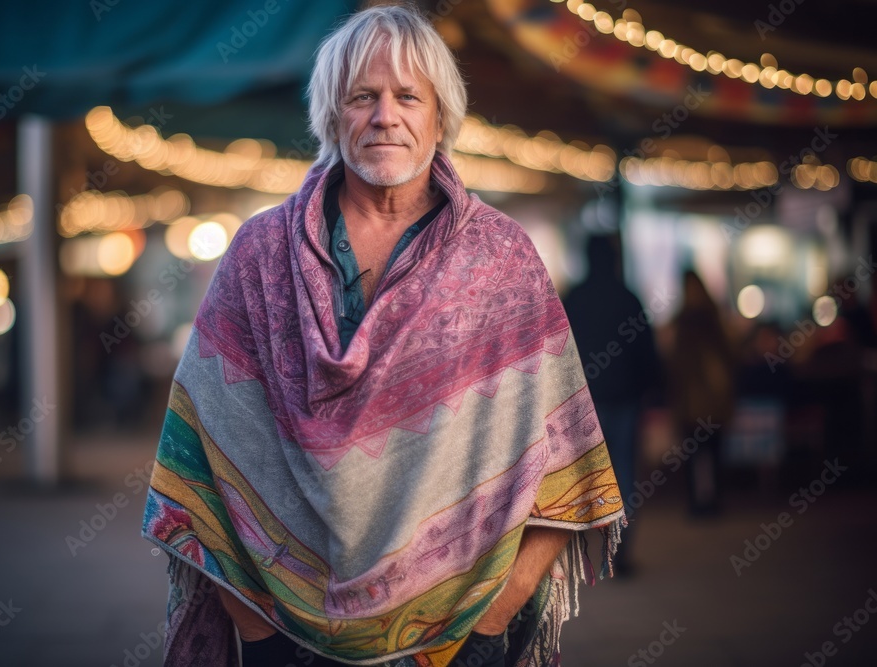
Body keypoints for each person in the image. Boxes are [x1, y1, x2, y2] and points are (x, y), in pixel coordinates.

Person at [142, 5, 625, 666]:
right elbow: (198, 446)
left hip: (460, 637)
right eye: (362, 96)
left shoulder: (500, 260)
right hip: (283, 631)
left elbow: (565, 456)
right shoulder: (259, 255)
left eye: (408, 97)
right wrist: (254, 624)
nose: (385, 116)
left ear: (439, 116)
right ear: (332, 113)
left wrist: (497, 609)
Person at [563, 235, 661, 575]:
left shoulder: (575, 298)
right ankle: (619, 550)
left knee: (580, 475)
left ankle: (578, 554)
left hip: (585, 402)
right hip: (625, 400)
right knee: (623, 473)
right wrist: (651, 389)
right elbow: (647, 351)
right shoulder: (627, 298)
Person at [667, 270, 735, 516]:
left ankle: (700, 503)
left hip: (693, 400)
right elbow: (730, 354)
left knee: (696, 454)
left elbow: (674, 360)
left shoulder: (684, 321)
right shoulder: (712, 317)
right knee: (711, 453)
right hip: (709, 400)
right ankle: (711, 502)